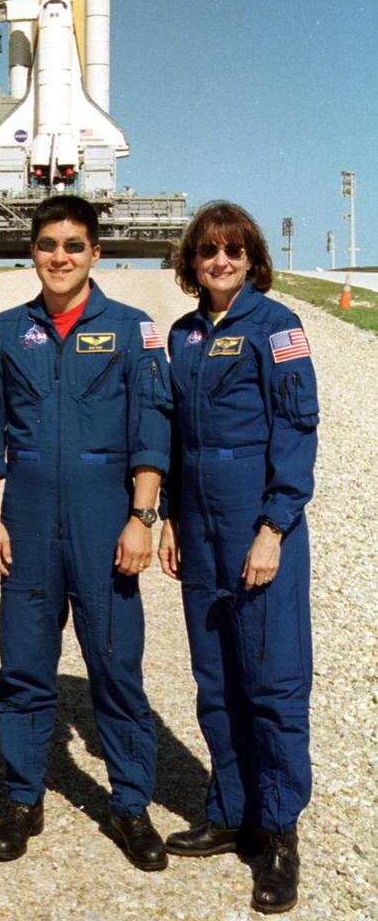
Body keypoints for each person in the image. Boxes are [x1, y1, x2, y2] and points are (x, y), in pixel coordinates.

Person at [0, 194, 171, 868]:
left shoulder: (132, 329)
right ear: (33, 251)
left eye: (73, 245)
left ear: (95, 254)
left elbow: (151, 430)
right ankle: (22, 799)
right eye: (48, 245)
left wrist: (142, 518)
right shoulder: (4, 332)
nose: (60, 257)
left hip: (103, 514)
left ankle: (130, 803)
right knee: (24, 668)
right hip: (26, 517)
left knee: (115, 667)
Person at [159, 202, 318, 915]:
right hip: (198, 525)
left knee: (272, 681)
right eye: (207, 251)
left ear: (252, 259)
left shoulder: (277, 328)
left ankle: (279, 831)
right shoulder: (184, 334)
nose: (219, 262)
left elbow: (297, 428)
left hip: (255, 519)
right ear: (191, 263)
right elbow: (174, 435)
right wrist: (168, 517)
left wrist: (274, 526)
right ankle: (231, 811)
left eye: (233, 251)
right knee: (216, 678)